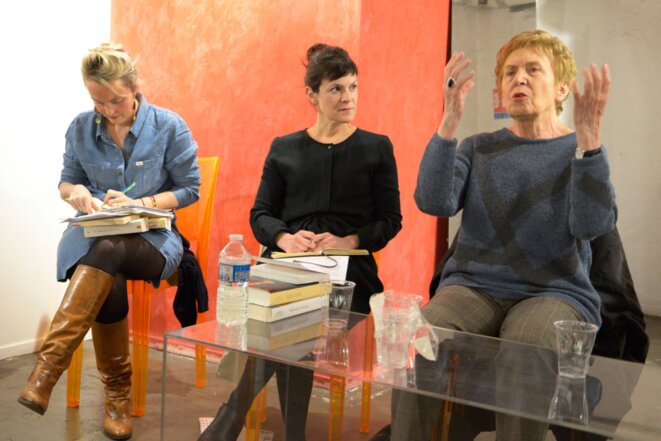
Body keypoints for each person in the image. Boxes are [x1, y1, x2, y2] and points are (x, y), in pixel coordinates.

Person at [381, 29, 615, 441]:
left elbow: (592, 226)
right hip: (476, 285)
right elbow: (433, 201)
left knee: (525, 348)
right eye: (509, 73)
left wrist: (590, 142)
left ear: (562, 87)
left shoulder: (576, 149)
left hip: (555, 291)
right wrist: (448, 121)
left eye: (532, 70)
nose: (518, 79)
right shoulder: (478, 146)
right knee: (422, 334)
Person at [199, 43, 402, 441]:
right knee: (287, 315)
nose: (348, 98)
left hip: (350, 273)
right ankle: (287, 434)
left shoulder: (377, 147)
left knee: (291, 320)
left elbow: (391, 221)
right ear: (312, 95)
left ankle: (233, 416)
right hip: (289, 265)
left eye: (353, 87)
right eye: (336, 89)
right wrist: (285, 237)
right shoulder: (285, 148)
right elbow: (260, 215)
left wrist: (350, 239)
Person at [17, 42, 201, 440]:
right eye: (98, 102)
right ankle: (116, 396)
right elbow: (66, 180)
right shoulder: (80, 127)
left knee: (108, 254)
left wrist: (143, 201)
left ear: (135, 88)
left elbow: (190, 189)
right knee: (106, 264)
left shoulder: (169, 126)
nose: (108, 111)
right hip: (93, 234)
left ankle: (48, 369)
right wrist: (76, 194)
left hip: (152, 239)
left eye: (116, 100)